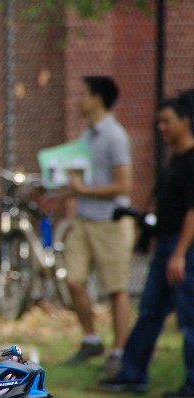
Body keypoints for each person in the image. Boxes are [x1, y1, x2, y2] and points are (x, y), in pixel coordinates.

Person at [98, 96, 194, 398]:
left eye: (167, 121)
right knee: (150, 312)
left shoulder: (192, 161)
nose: (161, 127)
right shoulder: (176, 160)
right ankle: (132, 374)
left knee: (189, 320)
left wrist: (180, 253)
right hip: (166, 247)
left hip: (183, 251)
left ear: (185, 121)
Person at [62, 76, 135, 375]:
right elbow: (85, 180)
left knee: (116, 289)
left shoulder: (115, 135)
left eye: (84, 94)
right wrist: (60, 192)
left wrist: (82, 190)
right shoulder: (88, 135)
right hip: (83, 220)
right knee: (73, 281)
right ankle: (91, 340)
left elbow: (124, 184)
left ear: (98, 99)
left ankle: (119, 351)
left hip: (111, 223)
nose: (78, 100)